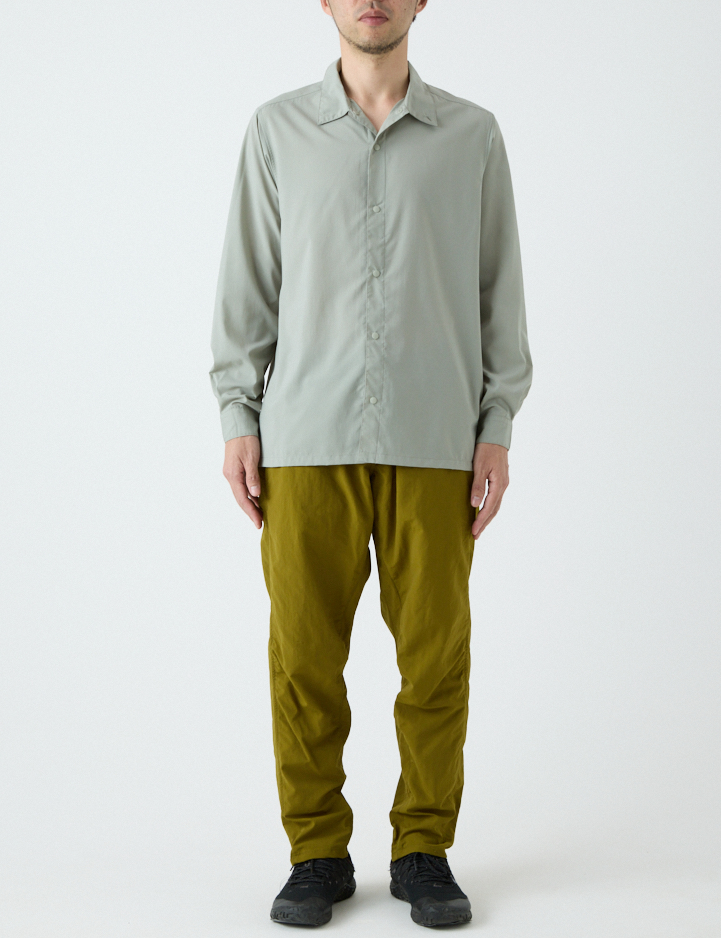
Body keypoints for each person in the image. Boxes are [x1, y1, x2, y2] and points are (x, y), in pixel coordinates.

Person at [208, 0, 532, 928]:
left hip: (435, 441)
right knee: (303, 661)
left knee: (436, 660)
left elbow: (499, 288)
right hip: (306, 441)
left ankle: (423, 848)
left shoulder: (472, 136)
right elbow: (248, 283)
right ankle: (316, 852)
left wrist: (496, 424)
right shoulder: (276, 132)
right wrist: (237, 414)